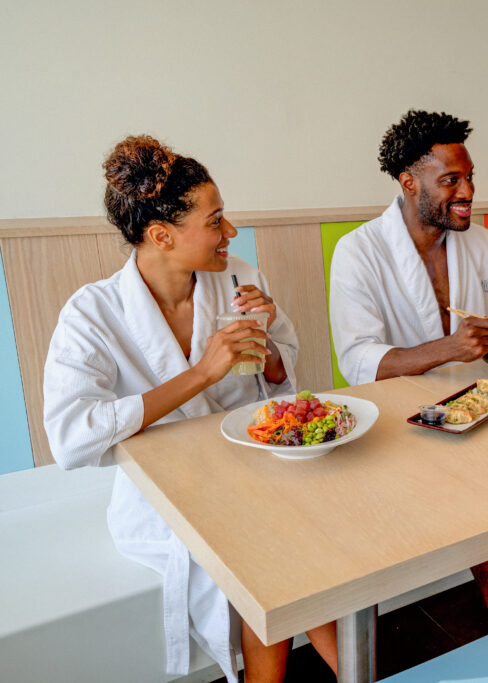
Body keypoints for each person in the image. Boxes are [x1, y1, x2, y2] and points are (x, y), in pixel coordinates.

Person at [43, 135, 337, 683]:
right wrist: (202, 372)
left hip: (249, 463)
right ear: (161, 235)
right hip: (166, 488)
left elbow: (279, 379)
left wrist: (268, 341)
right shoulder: (92, 314)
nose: (231, 233)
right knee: (284, 544)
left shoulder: (238, 276)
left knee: (305, 534)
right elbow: (71, 438)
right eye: (216, 220)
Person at [329, 109, 488, 662]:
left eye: (469, 178)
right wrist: (450, 350)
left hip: (483, 398)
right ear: (408, 182)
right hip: (406, 423)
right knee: (477, 472)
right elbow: (357, 361)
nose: (467, 193)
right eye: (451, 181)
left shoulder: (481, 244)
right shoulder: (359, 252)